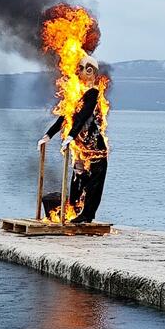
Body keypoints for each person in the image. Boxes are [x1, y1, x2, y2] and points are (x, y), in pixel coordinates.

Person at [38, 55, 108, 223]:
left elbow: (83, 116)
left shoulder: (93, 93)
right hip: (80, 147)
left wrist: (70, 135)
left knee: (93, 185)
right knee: (77, 180)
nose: (78, 72)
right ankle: (73, 211)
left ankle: (87, 215)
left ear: (89, 71)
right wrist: (47, 136)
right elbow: (64, 118)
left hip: (94, 149)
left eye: (81, 69)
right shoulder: (77, 95)